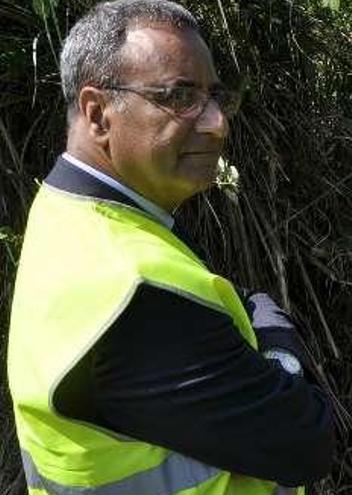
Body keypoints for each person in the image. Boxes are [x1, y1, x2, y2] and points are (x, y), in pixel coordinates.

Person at [6, 1, 334, 494]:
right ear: (98, 115)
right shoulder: (131, 288)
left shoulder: (64, 208)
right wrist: (274, 331)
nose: (217, 124)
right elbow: (305, 441)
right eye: (180, 96)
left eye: (215, 95)